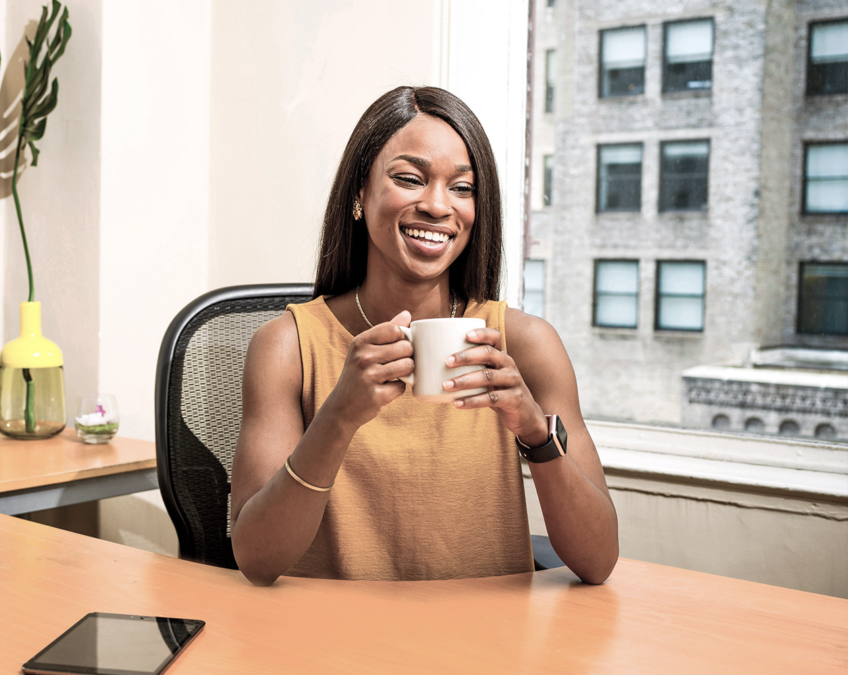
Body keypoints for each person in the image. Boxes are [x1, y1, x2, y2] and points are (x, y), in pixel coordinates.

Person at [230, 86, 618, 586]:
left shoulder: (525, 344)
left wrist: (535, 433)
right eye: (410, 179)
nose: (438, 206)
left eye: (462, 188)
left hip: (484, 642)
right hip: (333, 643)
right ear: (358, 194)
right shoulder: (286, 347)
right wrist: (338, 417)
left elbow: (599, 560)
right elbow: (258, 560)